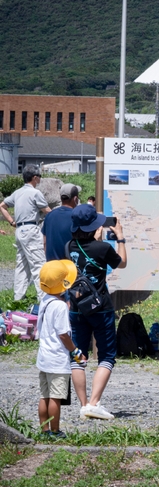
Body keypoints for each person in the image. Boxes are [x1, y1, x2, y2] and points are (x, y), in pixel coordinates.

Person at [67, 204, 127, 419]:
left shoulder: (69, 246)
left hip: (76, 307)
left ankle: (84, 405)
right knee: (107, 355)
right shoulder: (102, 249)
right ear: (93, 227)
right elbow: (122, 263)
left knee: (78, 357)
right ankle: (94, 402)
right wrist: (119, 237)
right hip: (101, 307)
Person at [36, 259, 83, 438]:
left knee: (44, 395)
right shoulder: (61, 306)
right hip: (57, 358)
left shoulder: (45, 300)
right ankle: (55, 431)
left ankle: (44, 430)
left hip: (44, 356)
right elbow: (63, 334)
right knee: (56, 397)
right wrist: (75, 351)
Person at [1, 165, 51, 299]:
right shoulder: (35, 193)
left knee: (22, 266)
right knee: (38, 264)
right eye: (39, 176)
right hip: (31, 230)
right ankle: (44, 299)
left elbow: (2, 206)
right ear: (35, 178)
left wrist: (12, 222)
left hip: (19, 230)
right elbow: (47, 211)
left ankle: (18, 300)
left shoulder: (17, 192)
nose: (40, 178)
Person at [42, 183, 81, 261]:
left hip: (52, 265)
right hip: (70, 266)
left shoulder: (49, 215)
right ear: (75, 199)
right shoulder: (77, 217)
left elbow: (44, 242)